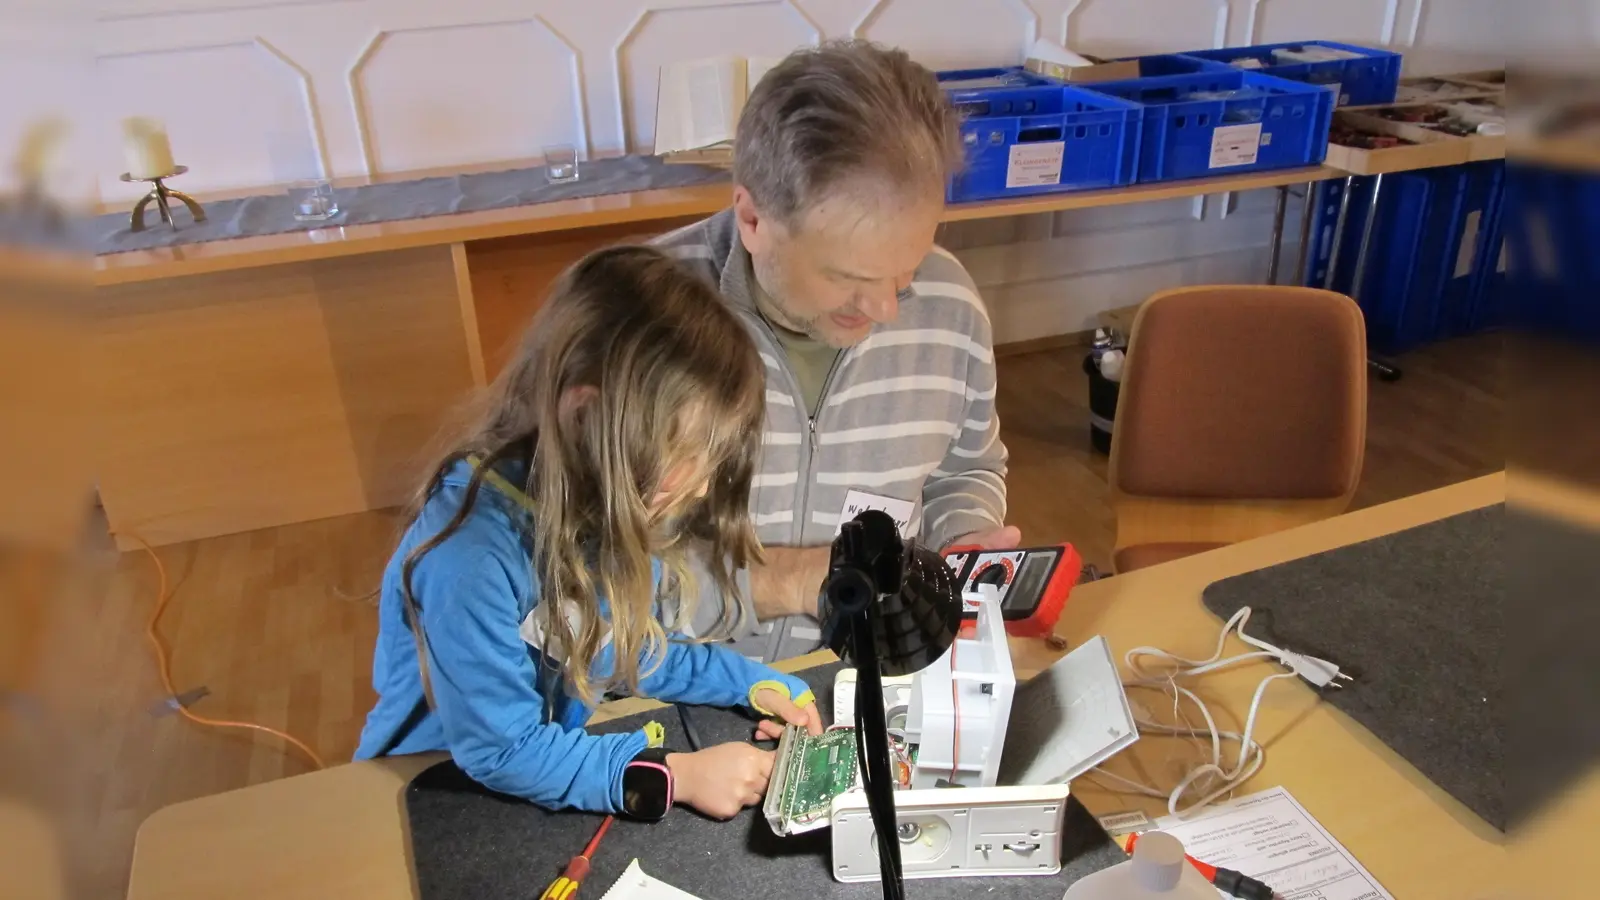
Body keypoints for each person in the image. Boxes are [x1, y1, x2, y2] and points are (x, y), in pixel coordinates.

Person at [354, 246, 823, 821]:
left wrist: (749, 682)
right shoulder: (468, 560)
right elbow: (503, 750)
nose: (703, 487)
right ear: (586, 418)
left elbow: (623, 648)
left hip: (526, 780)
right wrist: (677, 776)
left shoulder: (598, 505)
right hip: (426, 796)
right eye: (687, 455)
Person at [656, 40, 1020, 662]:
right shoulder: (636, 322)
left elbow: (966, 470)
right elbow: (588, 575)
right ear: (752, 219)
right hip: (677, 679)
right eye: (848, 278)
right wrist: (794, 581)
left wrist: (965, 537)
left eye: (905, 270)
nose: (885, 309)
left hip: (871, 668)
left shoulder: (950, 303)